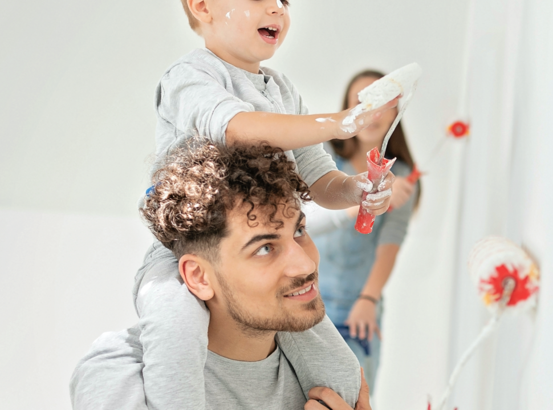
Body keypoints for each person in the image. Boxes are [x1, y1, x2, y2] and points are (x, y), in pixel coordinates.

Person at [135, 0, 403, 409]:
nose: (277, 7)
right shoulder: (189, 77)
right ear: (202, 8)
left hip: (267, 255)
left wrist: (357, 189)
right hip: (181, 257)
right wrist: (343, 122)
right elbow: (237, 128)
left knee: (345, 381)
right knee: (173, 337)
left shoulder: (282, 92)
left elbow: (320, 181)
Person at [72, 140, 369, 410]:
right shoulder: (120, 375)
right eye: (265, 248)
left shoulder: (327, 379)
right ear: (199, 277)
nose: (305, 265)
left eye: (300, 231)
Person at [314, 70, 422, 393]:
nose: (371, 114)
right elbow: (302, 220)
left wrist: (368, 298)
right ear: (348, 110)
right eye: (362, 103)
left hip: (356, 308)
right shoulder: (322, 160)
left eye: (382, 104)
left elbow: (390, 244)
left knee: (354, 396)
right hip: (308, 303)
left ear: (396, 110)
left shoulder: (401, 178)